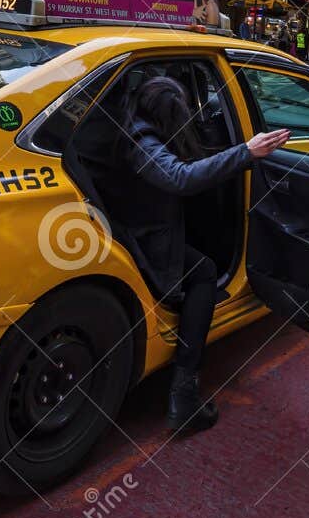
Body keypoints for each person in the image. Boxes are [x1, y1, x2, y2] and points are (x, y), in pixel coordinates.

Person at [121, 76, 290, 431]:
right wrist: (246, 152)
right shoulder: (142, 140)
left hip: (136, 222)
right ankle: (184, 393)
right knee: (203, 271)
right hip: (141, 237)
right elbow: (180, 177)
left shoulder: (128, 119)